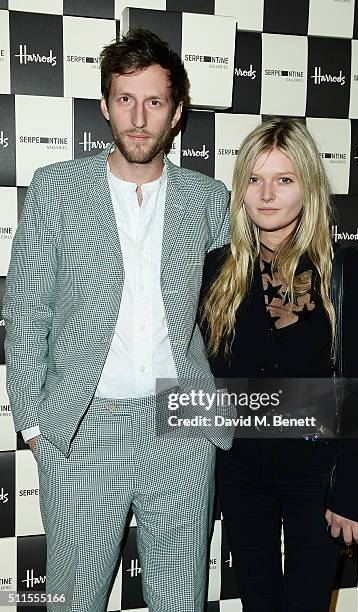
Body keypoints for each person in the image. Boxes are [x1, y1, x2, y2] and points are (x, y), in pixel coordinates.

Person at [3, 28, 232, 612]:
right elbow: (24, 310)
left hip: (181, 428)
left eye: (154, 101)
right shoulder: (57, 188)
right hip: (81, 430)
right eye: (124, 99)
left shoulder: (208, 199)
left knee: (181, 598)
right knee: (68, 600)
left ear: (176, 113)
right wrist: (34, 427)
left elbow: (236, 310)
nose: (137, 117)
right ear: (104, 104)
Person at [199, 118, 358, 612]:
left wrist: (347, 489)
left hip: (317, 471)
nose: (267, 194)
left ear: (308, 187)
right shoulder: (218, 269)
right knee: (258, 602)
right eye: (255, 179)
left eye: (284, 179)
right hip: (240, 471)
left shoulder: (342, 270)